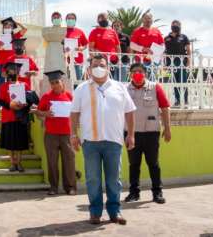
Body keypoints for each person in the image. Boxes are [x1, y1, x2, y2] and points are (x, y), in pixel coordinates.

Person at [71, 54, 136, 226]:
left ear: (108, 67)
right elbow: (74, 113)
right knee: (93, 179)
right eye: (95, 65)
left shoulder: (119, 87)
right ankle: (95, 213)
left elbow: (129, 111)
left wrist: (131, 134)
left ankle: (115, 211)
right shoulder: (82, 89)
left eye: (101, 64)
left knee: (114, 179)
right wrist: (73, 134)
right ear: (89, 68)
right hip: (90, 142)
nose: (98, 67)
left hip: (113, 141)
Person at [123, 63, 171, 204]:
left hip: (151, 132)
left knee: (153, 164)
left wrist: (167, 128)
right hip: (131, 133)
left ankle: (157, 192)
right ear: (130, 74)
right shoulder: (124, 89)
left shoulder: (155, 87)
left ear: (145, 73)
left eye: (140, 71)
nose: (137, 73)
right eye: (134, 71)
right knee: (134, 164)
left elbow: (165, 108)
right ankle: (134, 193)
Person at [35, 70, 76, 195]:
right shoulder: (46, 97)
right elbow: (38, 112)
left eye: (57, 82)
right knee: (52, 161)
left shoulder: (70, 96)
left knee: (69, 160)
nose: (55, 85)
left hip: (67, 134)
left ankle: (70, 187)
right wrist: (45, 114)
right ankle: (53, 187)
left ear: (62, 82)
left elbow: (76, 114)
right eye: (52, 83)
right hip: (51, 134)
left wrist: (75, 132)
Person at [0, 62, 39, 172]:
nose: (13, 72)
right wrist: (10, 105)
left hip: (20, 117)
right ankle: (12, 163)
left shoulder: (24, 85)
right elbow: (1, 101)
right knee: (10, 143)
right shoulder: (3, 86)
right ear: (6, 73)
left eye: (15, 71)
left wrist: (25, 104)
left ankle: (19, 162)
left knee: (20, 142)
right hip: (8, 117)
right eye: (11, 71)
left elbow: (29, 99)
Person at [164, 20, 192, 107]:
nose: (175, 26)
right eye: (174, 25)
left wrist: (188, 61)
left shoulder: (184, 37)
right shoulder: (166, 38)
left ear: (180, 26)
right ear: (171, 26)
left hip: (181, 62)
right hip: (170, 63)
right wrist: (164, 64)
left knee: (183, 81)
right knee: (174, 82)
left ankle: (185, 100)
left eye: (177, 25)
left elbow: (188, 50)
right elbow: (163, 51)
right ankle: (177, 100)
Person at [0, 17, 27, 86]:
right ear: (3, 27)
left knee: (12, 83)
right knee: (1, 84)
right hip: (0, 64)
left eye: (10, 25)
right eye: (5, 24)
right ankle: (1, 97)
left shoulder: (15, 36)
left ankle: (9, 97)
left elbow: (25, 29)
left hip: (11, 64)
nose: (8, 25)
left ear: (12, 28)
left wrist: (16, 22)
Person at [89, 12, 122, 79]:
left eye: (106, 18)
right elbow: (91, 48)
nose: (104, 20)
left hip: (112, 61)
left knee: (112, 81)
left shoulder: (112, 32)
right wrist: (97, 57)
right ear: (98, 20)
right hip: (100, 62)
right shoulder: (94, 32)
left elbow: (118, 47)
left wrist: (119, 59)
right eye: (102, 18)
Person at [63, 12, 88, 83]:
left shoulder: (80, 31)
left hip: (78, 60)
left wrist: (81, 48)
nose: (70, 20)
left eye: (72, 18)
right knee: (67, 82)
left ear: (75, 20)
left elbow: (86, 44)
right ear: (66, 20)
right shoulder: (62, 31)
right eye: (69, 18)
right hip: (65, 61)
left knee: (78, 81)